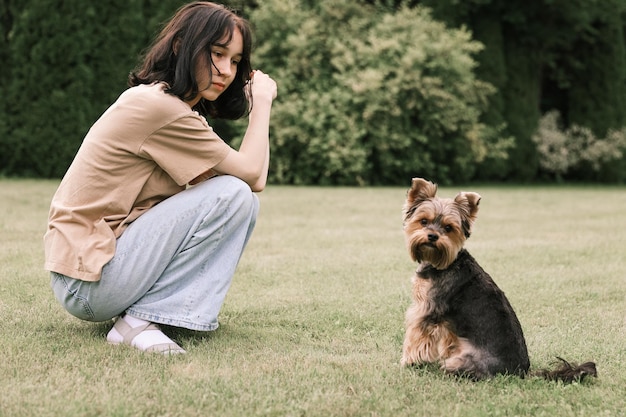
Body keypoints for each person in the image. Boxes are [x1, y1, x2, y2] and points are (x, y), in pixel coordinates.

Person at [44, 1, 277, 354]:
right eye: (217, 53)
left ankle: (149, 315)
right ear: (183, 46)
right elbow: (251, 176)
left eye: (235, 60)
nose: (227, 70)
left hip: (92, 274)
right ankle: (137, 323)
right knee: (233, 194)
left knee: (236, 198)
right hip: (87, 282)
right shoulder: (161, 109)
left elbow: (247, 178)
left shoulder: (174, 109)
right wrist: (262, 104)